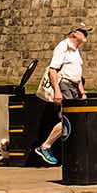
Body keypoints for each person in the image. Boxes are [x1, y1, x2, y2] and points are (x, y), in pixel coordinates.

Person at [34, 26, 88, 167]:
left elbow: (77, 74)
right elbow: (53, 70)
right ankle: (45, 146)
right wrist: (57, 91)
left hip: (74, 87)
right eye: (83, 32)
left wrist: (82, 92)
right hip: (64, 85)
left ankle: (70, 155)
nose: (86, 35)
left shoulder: (76, 51)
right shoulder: (62, 47)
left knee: (75, 121)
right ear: (75, 34)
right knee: (67, 120)